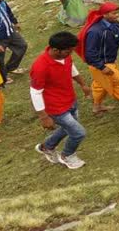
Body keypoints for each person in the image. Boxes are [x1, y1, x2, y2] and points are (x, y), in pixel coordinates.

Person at [30, 32, 91, 169]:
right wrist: (44, 117)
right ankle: (67, 156)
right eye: (68, 51)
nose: (71, 53)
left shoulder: (66, 56)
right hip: (56, 108)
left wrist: (83, 84)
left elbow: (72, 69)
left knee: (67, 128)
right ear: (55, 50)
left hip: (70, 100)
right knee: (78, 133)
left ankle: (47, 147)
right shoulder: (40, 66)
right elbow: (35, 92)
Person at [77, 2, 119, 115]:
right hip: (100, 65)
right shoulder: (95, 31)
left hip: (110, 61)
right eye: (114, 13)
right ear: (105, 15)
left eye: (117, 13)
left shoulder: (116, 25)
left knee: (100, 85)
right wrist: (102, 67)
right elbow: (90, 53)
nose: (117, 16)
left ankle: (97, 107)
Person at [0, 0, 28, 85]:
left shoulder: (2, 1)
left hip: (10, 31)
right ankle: (3, 78)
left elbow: (9, 13)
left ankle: (9, 68)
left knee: (22, 46)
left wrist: (15, 22)